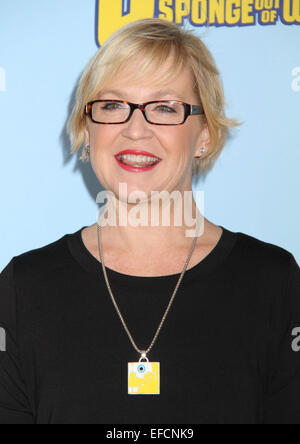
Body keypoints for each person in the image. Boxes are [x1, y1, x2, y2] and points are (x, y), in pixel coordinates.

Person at [0, 18, 299, 425]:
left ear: (205, 134)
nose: (135, 130)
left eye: (163, 107)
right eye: (112, 106)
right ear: (88, 130)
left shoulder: (273, 281)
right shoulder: (24, 286)